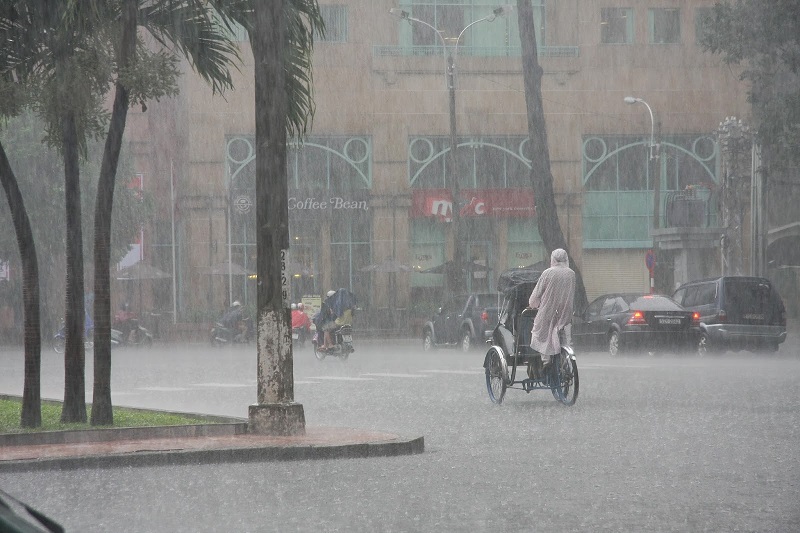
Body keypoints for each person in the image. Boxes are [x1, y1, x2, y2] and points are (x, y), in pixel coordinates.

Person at [528, 248, 576, 378]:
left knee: (540, 334)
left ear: (552, 259)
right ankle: (564, 361)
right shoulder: (571, 274)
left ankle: (546, 361)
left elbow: (536, 295)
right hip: (565, 312)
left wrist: (533, 304)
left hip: (548, 311)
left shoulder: (547, 273)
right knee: (564, 338)